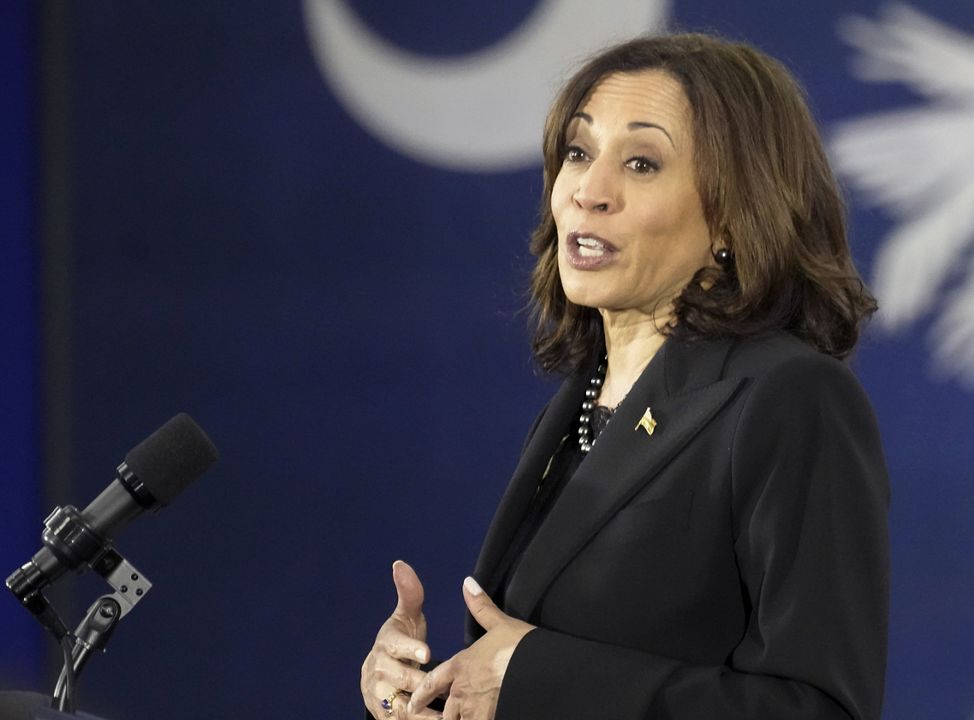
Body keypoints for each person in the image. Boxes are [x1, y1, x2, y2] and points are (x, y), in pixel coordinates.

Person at [359, 32, 889, 720]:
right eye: (579, 152)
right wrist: (424, 692)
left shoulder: (789, 400)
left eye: (641, 163)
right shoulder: (577, 408)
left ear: (732, 214)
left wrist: (534, 679)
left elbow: (820, 710)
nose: (589, 190)